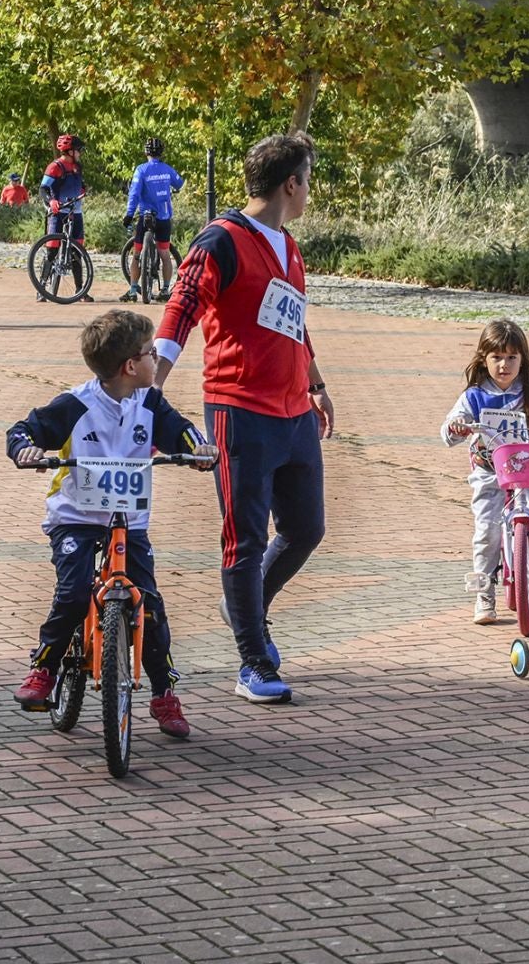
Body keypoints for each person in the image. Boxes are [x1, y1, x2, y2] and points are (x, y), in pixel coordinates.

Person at [154, 132, 335, 704]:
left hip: (294, 411)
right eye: (309, 178)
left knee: (306, 529)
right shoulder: (221, 241)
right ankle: (253, 663)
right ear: (291, 183)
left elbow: (291, 320)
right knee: (246, 538)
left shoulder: (290, 246)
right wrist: (151, 387)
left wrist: (315, 381)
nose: (310, 190)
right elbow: (181, 305)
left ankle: (245, 605)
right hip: (239, 411)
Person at [7, 309, 218, 738]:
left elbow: (183, 431)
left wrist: (199, 450)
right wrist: (25, 450)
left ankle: (164, 693)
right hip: (77, 519)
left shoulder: (149, 402)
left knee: (151, 606)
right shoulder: (76, 404)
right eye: (150, 353)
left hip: (128, 519)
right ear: (129, 366)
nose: (156, 359)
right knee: (72, 592)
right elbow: (24, 430)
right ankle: (45, 668)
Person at [443, 318, 529, 626]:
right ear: (483, 359)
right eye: (497, 357)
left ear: (522, 360)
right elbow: (449, 428)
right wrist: (457, 427)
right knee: (486, 529)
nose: (505, 364)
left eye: (512, 357)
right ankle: (484, 591)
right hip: (489, 471)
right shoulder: (474, 396)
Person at [121, 137, 185, 303]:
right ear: (161, 152)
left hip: (145, 216)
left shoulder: (141, 170)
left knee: (136, 253)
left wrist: (129, 214)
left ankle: (133, 290)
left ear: (146, 152)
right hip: (164, 217)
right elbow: (180, 183)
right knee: (164, 254)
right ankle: (165, 289)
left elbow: (134, 193)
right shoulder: (167, 169)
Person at [38, 134, 91, 304]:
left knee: (77, 251)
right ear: (69, 151)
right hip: (58, 212)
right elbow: (43, 189)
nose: (80, 153)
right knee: (52, 251)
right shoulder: (55, 167)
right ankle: (42, 288)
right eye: (78, 150)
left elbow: (80, 184)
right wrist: (51, 201)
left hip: (75, 212)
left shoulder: (77, 167)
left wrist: (84, 189)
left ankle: (80, 290)